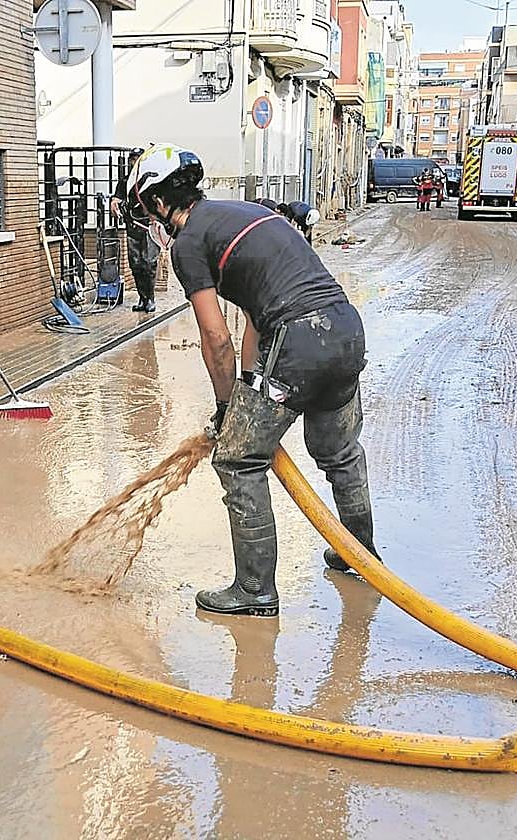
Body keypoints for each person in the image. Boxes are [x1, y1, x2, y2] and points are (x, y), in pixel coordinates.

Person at [127, 144, 378, 618]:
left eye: (147, 205)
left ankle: (255, 590)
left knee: (239, 459)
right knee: (341, 453)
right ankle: (358, 553)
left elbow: (215, 336)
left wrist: (227, 411)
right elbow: (253, 319)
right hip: (345, 331)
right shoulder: (245, 214)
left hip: (300, 340)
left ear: (158, 202)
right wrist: (245, 389)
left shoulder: (187, 243)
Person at [110, 148, 161, 313]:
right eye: (132, 159)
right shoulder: (125, 181)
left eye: (137, 159)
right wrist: (114, 204)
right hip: (132, 226)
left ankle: (151, 298)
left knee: (149, 263)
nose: (134, 162)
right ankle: (142, 298)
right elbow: (116, 198)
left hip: (149, 227)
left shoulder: (152, 179)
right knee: (136, 264)